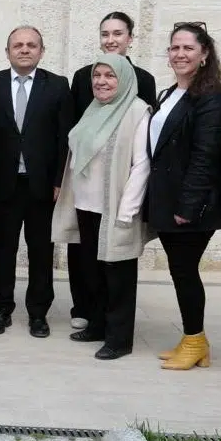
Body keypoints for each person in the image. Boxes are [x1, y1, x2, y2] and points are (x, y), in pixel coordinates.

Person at [52, 54, 153, 360]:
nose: (102, 82)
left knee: (118, 272)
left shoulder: (137, 111)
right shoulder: (93, 110)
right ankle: (97, 325)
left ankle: (119, 338)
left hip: (117, 207)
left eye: (110, 76)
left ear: (123, 79)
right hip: (85, 205)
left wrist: (128, 210)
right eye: (98, 76)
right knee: (93, 271)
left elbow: (142, 165)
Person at [145, 22, 221, 370]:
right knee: (181, 271)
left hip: (190, 206)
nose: (180, 54)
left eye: (188, 49)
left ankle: (194, 340)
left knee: (184, 271)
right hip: (167, 201)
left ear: (204, 54)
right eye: (174, 48)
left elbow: (205, 157)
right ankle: (195, 340)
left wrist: (187, 207)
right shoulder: (169, 94)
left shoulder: (210, 99)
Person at [66, 11, 157, 332]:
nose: (111, 39)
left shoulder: (141, 90)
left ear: (130, 38)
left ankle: (116, 330)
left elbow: (141, 154)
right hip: (86, 194)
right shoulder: (86, 85)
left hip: (118, 190)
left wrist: (130, 206)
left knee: (115, 262)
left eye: (118, 33)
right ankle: (91, 315)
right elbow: (74, 133)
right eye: (105, 33)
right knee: (87, 258)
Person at [0, 25, 72, 339]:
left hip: (42, 186)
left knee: (41, 251)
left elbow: (65, 139)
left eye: (31, 45)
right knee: (2, 251)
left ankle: (38, 313)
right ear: (7, 52)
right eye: (17, 45)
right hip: (2, 184)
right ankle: (2, 309)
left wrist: (60, 179)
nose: (24, 49)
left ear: (41, 51)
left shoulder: (58, 86)